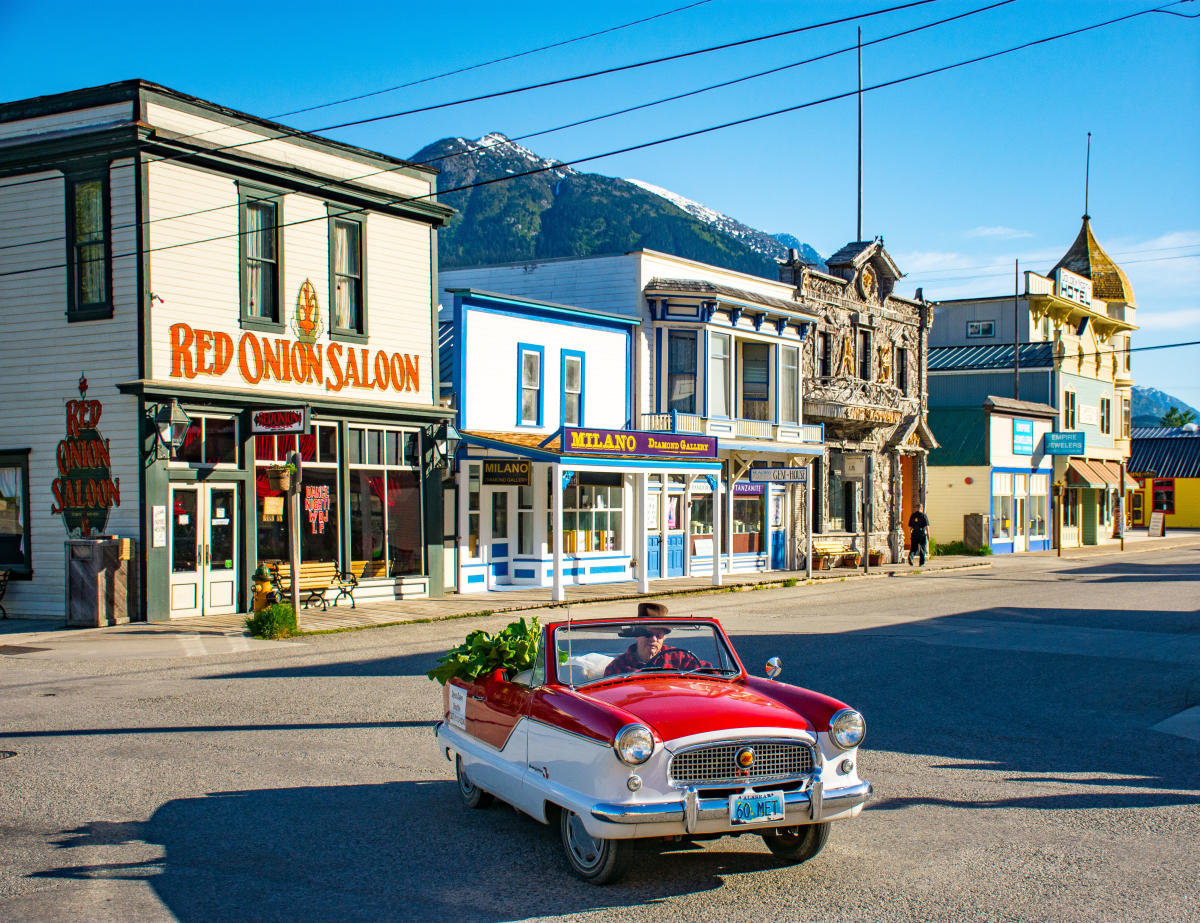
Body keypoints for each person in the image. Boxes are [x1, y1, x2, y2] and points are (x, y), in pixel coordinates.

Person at [603, 602, 706, 676]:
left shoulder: (678, 657)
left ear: (664, 638)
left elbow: (710, 673)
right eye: (647, 634)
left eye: (658, 635)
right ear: (636, 635)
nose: (653, 639)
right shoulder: (617, 668)